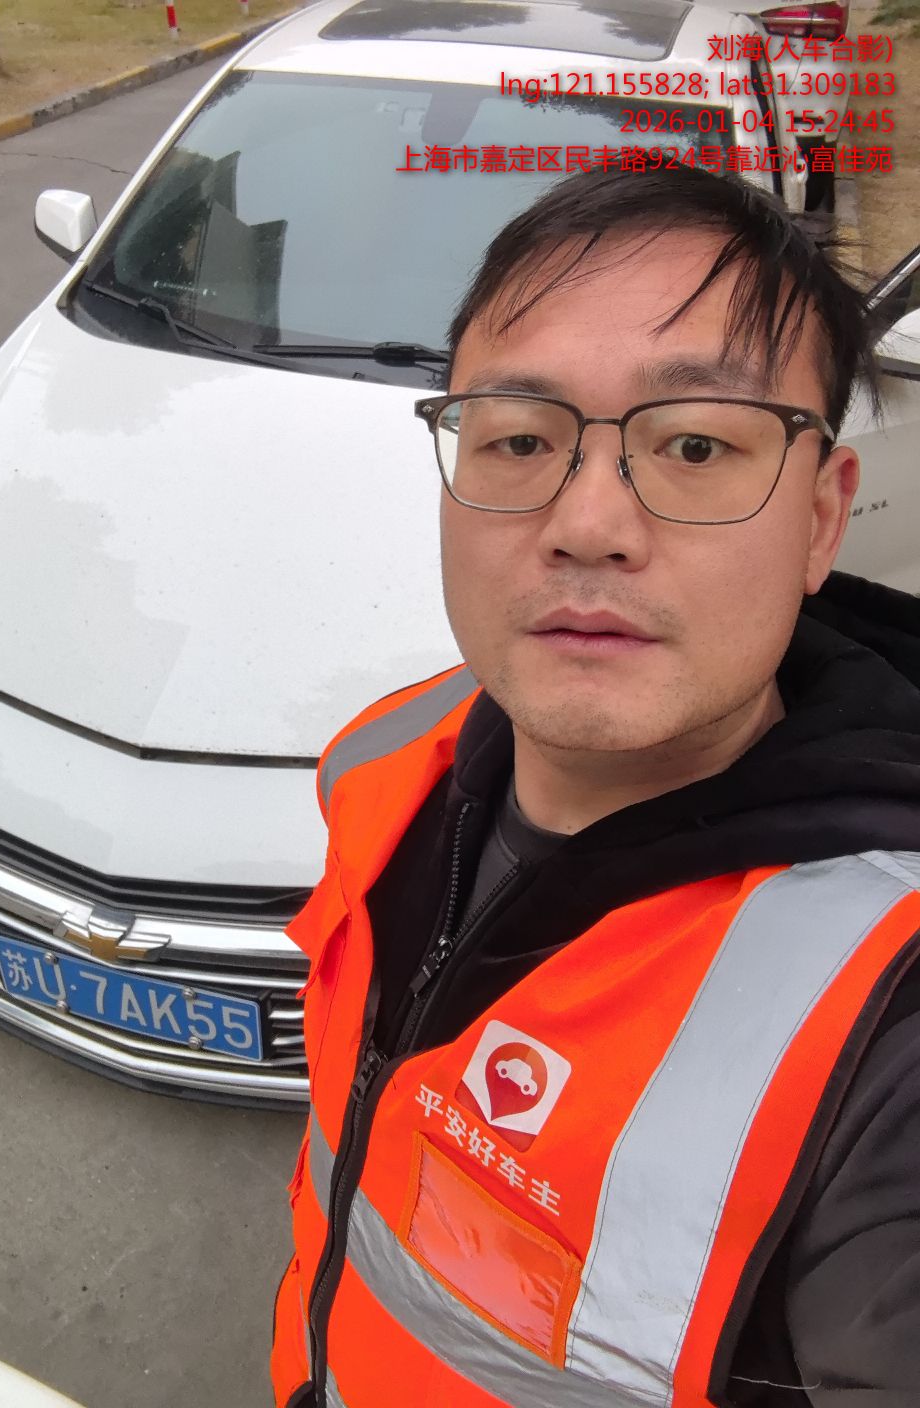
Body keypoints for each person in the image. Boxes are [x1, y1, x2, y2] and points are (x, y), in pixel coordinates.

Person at [270, 165, 920, 1408]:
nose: (588, 522)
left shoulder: (883, 1010)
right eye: (521, 438)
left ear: (823, 520)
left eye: (696, 445)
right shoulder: (390, 759)